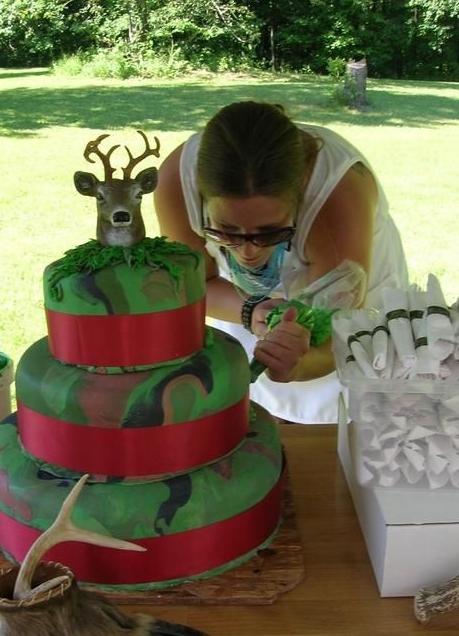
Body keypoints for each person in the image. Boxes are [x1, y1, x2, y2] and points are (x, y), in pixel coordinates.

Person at [154, 100, 408, 423]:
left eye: (269, 232)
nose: (247, 252)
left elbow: (337, 337)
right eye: (227, 231)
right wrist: (251, 311)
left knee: (341, 426)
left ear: (299, 200)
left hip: (349, 315)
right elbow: (192, 286)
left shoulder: (335, 195)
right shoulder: (175, 182)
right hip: (248, 306)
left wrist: (296, 365)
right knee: (252, 414)